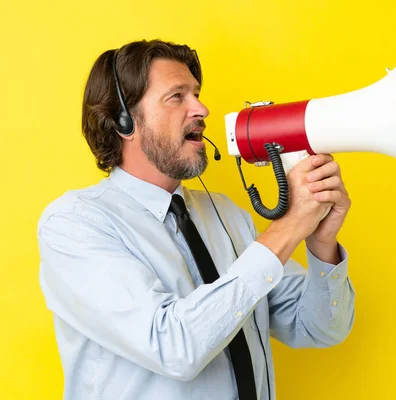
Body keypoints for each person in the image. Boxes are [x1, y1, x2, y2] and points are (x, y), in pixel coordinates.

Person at [37, 39, 355, 400]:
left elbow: (318, 328)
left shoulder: (227, 215)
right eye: (177, 96)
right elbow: (173, 347)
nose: (202, 108)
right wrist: (289, 227)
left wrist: (321, 244)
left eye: (197, 94)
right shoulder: (76, 224)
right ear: (125, 121)